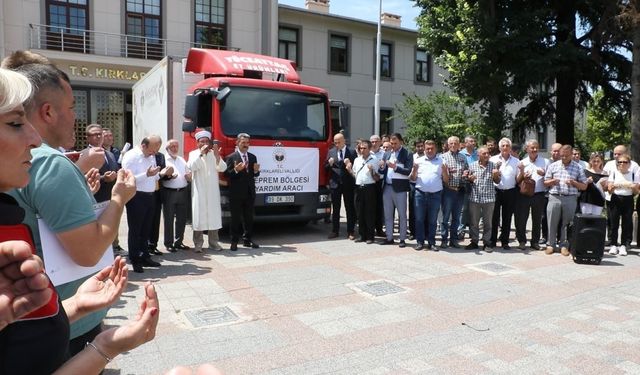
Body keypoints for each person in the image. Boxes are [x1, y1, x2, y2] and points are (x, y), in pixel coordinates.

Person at [0, 66, 159, 374]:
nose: (33, 139)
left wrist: (76, 306)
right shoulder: (52, 163)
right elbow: (88, 252)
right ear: (48, 111)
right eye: (16, 123)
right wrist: (118, 199)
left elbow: (19, 333)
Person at [122, 135, 169, 273]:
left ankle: (145, 256)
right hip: (136, 196)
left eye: (156, 150)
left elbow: (153, 176)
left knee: (146, 229)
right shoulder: (131, 156)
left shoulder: (151, 155)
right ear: (144, 145)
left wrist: (160, 174)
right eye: (153, 150)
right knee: (136, 230)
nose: (154, 153)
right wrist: (146, 175)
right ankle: (135, 259)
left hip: (150, 195)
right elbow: (127, 179)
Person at [543, 145, 588, 255]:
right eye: (561, 155)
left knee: (566, 223)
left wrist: (574, 183)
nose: (563, 158)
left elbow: (584, 186)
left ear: (571, 155)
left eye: (566, 156)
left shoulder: (578, 167)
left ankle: (564, 245)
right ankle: (550, 244)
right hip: (554, 197)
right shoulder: (553, 166)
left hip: (570, 198)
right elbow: (545, 182)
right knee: (551, 221)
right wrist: (552, 181)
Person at [188, 131, 227, 252]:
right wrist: (201, 154)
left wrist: (217, 156)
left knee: (213, 216)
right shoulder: (193, 153)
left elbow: (222, 168)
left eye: (206, 141)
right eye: (202, 141)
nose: (204, 144)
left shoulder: (213, 154)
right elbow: (192, 166)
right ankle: (198, 244)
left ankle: (214, 243)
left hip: (212, 191)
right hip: (199, 191)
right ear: (197, 143)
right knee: (199, 217)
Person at [224, 133, 260, 251]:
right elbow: (226, 174)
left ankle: (247, 240)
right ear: (237, 143)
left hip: (249, 193)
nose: (246, 145)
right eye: (243, 142)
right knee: (235, 218)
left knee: (249, 218)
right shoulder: (231, 157)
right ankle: (234, 241)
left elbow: (255, 174)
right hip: (236, 193)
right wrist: (236, 169)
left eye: (247, 143)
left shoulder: (253, 157)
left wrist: (256, 171)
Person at [410, 140, 448, 251]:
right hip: (420, 194)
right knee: (419, 219)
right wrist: (415, 170)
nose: (429, 150)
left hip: (435, 195)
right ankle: (420, 242)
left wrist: (445, 171)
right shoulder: (418, 160)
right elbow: (412, 178)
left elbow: (446, 180)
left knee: (432, 220)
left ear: (436, 149)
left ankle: (432, 242)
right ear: (424, 149)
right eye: (427, 149)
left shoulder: (442, 161)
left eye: (432, 148)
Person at [378, 133, 413, 247]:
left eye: (395, 143)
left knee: (402, 215)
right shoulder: (387, 153)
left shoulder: (407, 153)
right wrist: (382, 167)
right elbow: (382, 171)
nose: (393, 146)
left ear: (401, 142)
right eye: (391, 143)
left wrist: (395, 167)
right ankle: (389, 237)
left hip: (400, 189)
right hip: (387, 187)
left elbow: (408, 171)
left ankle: (402, 239)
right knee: (388, 215)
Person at [515, 140, 549, 250]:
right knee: (522, 219)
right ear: (527, 149)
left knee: (537, 219)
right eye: (532, 148)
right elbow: (517, 180)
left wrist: (544, 175)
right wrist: (522, 174)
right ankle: (522, 241)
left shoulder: (545, 162)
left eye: (536, 147)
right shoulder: (522, 162)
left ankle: (535, 242)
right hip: (524, 195)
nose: (534, 150)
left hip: (539, 194)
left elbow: (549, 179)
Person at [603, 145, 640, 247]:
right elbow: (607, 183)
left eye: (618, 154)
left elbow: (636, 186)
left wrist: (630, 186)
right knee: (612, 221)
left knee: (626, 222)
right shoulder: (610, 166)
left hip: (628, 198)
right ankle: (612, 242)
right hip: (613, 197)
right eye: (615, 154)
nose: (616, 156)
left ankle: (626, 243)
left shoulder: (634, 167)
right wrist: (611, 186)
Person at [466, 146, 500, 252]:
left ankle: (487, 242)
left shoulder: (493, 166)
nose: (487, 155)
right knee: (474, 222)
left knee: (488, 222)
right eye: (484, 153)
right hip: (475, 198)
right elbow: (468, 181)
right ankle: (474, 241)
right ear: (478, 155)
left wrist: (495, 175)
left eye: (488, 153)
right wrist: (470, 179)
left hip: (489, 198)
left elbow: (498, 181)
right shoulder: (472, 166)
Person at [325, 133, 357, 239]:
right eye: (335, 142)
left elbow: (355, 168)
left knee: (349, 208)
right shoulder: (331, 151)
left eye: (339, 142)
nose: (337, 144)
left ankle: (351, 231)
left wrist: (350, 165)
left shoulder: (352, 152)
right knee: (336, 209)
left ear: (344, 141)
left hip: (348, 184)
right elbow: (324, 167)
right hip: (335, 184)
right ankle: (335, 231)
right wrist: (329, 164)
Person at [489, 138, 519, 249]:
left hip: (510, 191)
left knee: (507, 217)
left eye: (507, 146)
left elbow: (518, 178)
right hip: (496, 190)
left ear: (510, 148)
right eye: (503, 146)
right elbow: (489, 177)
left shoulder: (516, 161)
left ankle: (505, 241)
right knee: (494, 217)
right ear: (499, 147)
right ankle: (492, 241)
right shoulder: (492, 159)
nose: (505, 148)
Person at [347, 140, 379, 244]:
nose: (362, 150)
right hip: (358, 188)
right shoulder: (357, 160)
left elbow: (377, 178)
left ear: (369, 149)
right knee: (359, 212)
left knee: (369, 212)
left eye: (364, 148)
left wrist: (372, 171)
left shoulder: (374, 160)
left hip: (369, 188)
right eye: (360, 148)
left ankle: (370, 236)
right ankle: (362, 235)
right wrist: (349, 170)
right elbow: (355, 175)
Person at [162, 139, 192, 252]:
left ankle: (179, 241)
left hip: (183, 191)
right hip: (169, 192)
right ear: (167, 148)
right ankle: (169, 243)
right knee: (169, 219)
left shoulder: (181, 159)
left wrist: (189, 177)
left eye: (176, 146)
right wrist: (169, 176)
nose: (175, 148)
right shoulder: (164, 159)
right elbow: (162, 176)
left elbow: (187, 173)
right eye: (172, 146)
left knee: (182, 218)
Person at [440, 136, 468, 248]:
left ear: (459, 144)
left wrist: (466, 173)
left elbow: (466, 169)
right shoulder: (443, 157)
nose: (453, 145)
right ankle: (444, 239)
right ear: (448, 144)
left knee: (457, 217)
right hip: (447, 190)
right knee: (445, 217)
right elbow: (440, 174)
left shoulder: (463, 157)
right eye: (451, 143)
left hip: (459, 189)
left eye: (455, 143)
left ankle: (454, 240)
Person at [148, 148, 174, 256]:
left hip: (158, 192)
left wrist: (168, 175)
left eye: (158, 145)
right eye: (155, 145)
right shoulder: (144, 156)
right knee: (146, 220)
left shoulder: (160, 156)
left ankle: (153, 245)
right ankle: (145, 246)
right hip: (146, 191)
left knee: (156, 220)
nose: (156, 147)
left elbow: (162, 174)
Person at [459, 135, 478, 239]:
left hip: (476, 184)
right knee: (464, 208)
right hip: (465, 183)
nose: (473, 143)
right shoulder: (461, 154)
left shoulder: (478, 153)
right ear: (465, 143)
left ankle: (473, 231)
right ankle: (461, 230)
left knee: (474, 209)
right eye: (471, 141)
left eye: (474, 141)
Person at [408, 139, 425, 240]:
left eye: (421, 146)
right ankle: (412, 232)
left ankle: (424, 232)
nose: (420, 148)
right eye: (418, 146)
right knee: (412, 209)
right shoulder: (412, 157)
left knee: (424, 209)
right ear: (415, 147)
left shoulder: (429, 157)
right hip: (413, 185)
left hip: (424, 186)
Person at [369, 134, 385, 237]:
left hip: (380, 183)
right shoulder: (366, 153)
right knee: (370, 207)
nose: (374, 144)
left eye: (376, 141)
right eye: (372, 142)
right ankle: (370, 229)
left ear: (380, 142)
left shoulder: (384, 154)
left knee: (379, 206)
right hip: (369, 182)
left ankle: (379, 229)